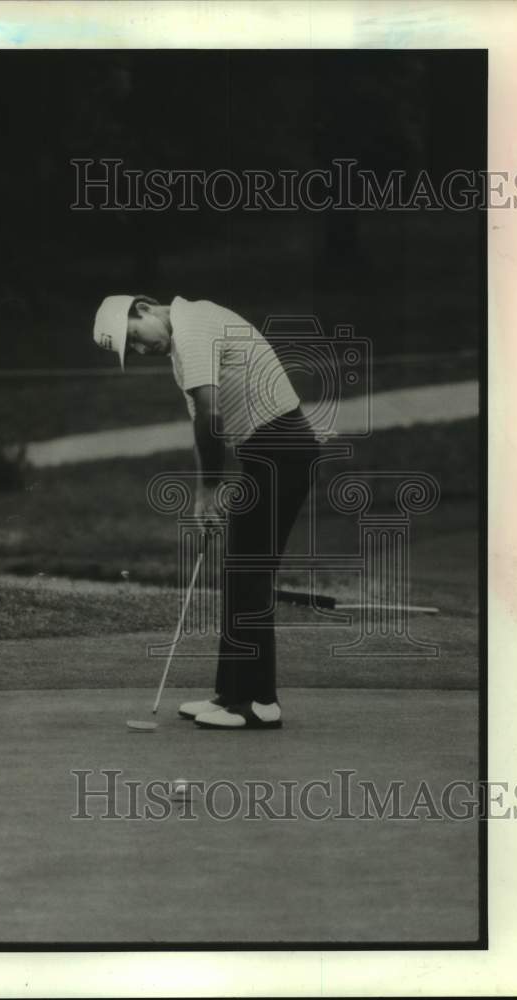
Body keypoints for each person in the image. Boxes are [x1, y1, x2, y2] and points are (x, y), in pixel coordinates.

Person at [93, 294, 320, 730]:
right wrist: (206, 495)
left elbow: (211, 415)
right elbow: (203, 422)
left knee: (250, 572)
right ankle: (232, 694)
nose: (141, 351)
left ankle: (258, 703)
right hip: (266, 452)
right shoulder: (183, 346)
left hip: (282, 448)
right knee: (239, 570)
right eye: (133, 351)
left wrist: (212, 487)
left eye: (135, 339)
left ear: (142, 309)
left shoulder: (193, 324)